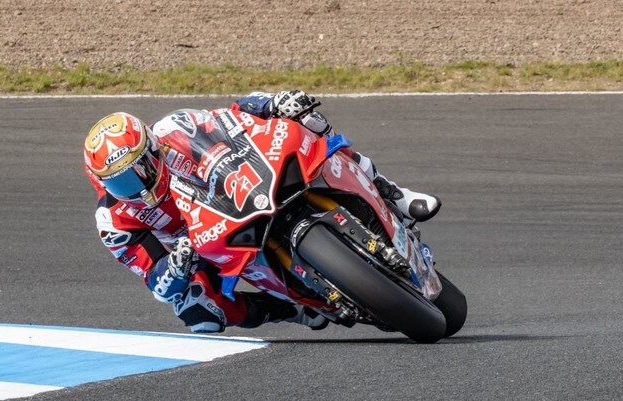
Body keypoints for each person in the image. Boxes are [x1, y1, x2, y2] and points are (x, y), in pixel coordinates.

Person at [82, 90, 441, 334]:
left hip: (235, 193)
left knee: (307, 122)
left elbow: (234, 116)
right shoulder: (113, 222)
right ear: (101, 182)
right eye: (122, 183)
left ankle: (392, 192)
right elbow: (157, 283)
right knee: (196, 311)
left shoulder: (173, 128)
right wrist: (175, 266)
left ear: (152, 147)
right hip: (203, 247)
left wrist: (273, 103)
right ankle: (291, 309)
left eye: (142, 168)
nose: (140, 185)